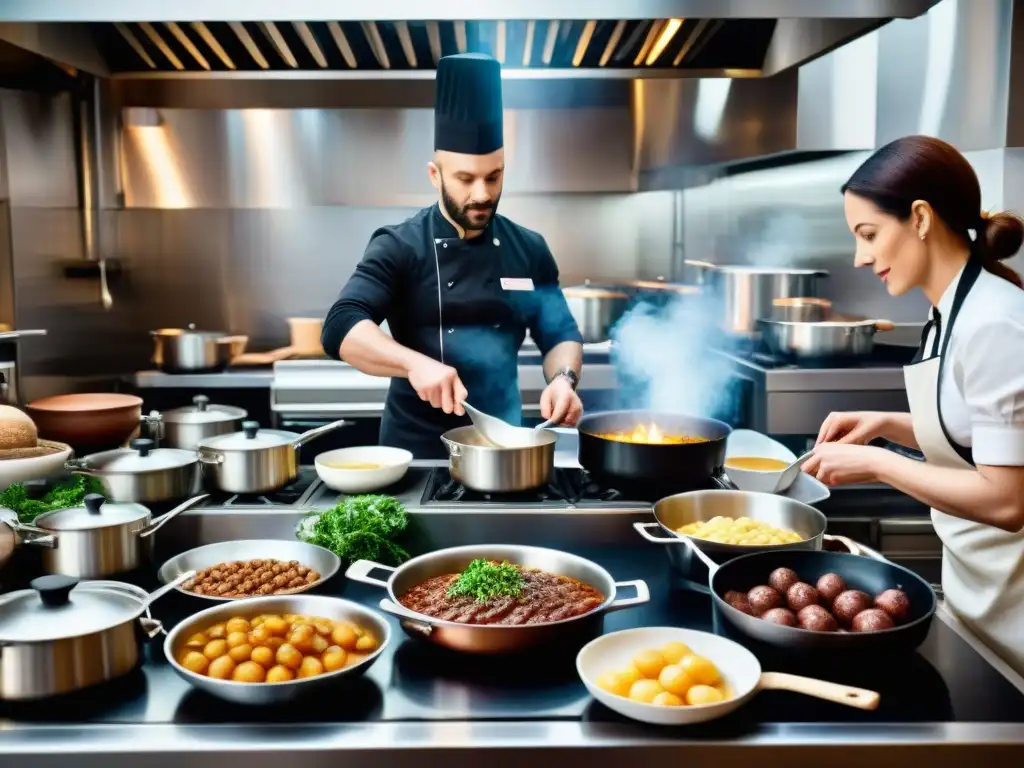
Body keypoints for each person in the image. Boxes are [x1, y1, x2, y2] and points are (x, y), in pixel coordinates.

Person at [804, 135, 1024, 674]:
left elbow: (1007, 499)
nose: (860, 256)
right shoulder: (949, 312)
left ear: (920, 218)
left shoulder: (995, 320)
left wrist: (880, 462)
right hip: (979, 595)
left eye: (869, 234)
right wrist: (889, 425)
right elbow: (977, 436)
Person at [321, 53, 584, 458]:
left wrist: (563, 379)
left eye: (493, 177)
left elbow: (560, 334)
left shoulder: (529, 248)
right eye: (465, 178)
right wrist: (414, 364)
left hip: (502, 448)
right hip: (414, 457)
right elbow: (341, 326)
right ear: (435, 175)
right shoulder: (399, 245)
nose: (481, 194)